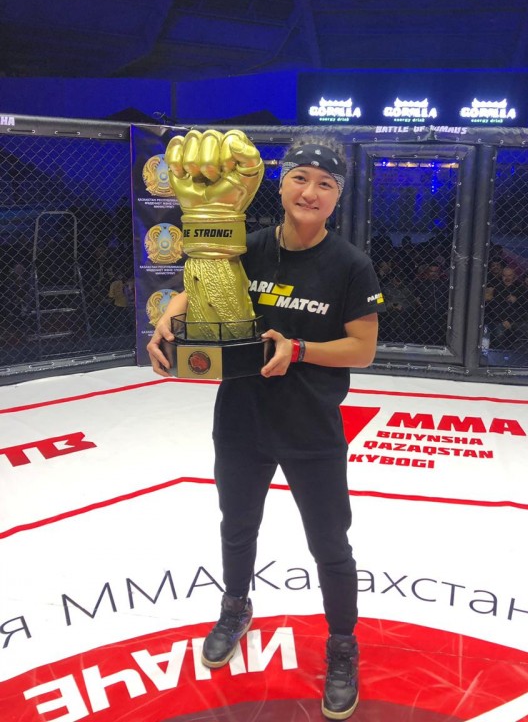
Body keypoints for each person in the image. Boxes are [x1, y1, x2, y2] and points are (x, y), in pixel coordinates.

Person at [147, 132, 383, 720]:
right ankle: (235, 607)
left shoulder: (350, 265)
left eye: (325, 183)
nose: (310, 192)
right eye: (300, 178)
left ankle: (342, 644)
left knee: (329, 541)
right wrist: (166, 322)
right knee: (237, 523)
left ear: (337, 196)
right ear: (280, 185)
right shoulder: (245, 246)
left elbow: (362, 350)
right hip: (242, 415)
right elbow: (193, 287)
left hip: (310, 424)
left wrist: (298, 349)